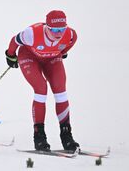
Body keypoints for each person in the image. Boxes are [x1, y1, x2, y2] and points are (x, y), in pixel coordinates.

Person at [5, 10, 79, 151]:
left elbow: (71, 42)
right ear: (47, 27)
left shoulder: (69, 34)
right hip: (29, 57)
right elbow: (14, 41)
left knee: (61, 91)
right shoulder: (31, 33)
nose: (59, 33)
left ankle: (66, 136)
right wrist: (10, 56)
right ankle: (39, 137)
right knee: (41, 89)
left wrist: (61, 52)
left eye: (62, 29)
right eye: (55, 30)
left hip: (51, 58)